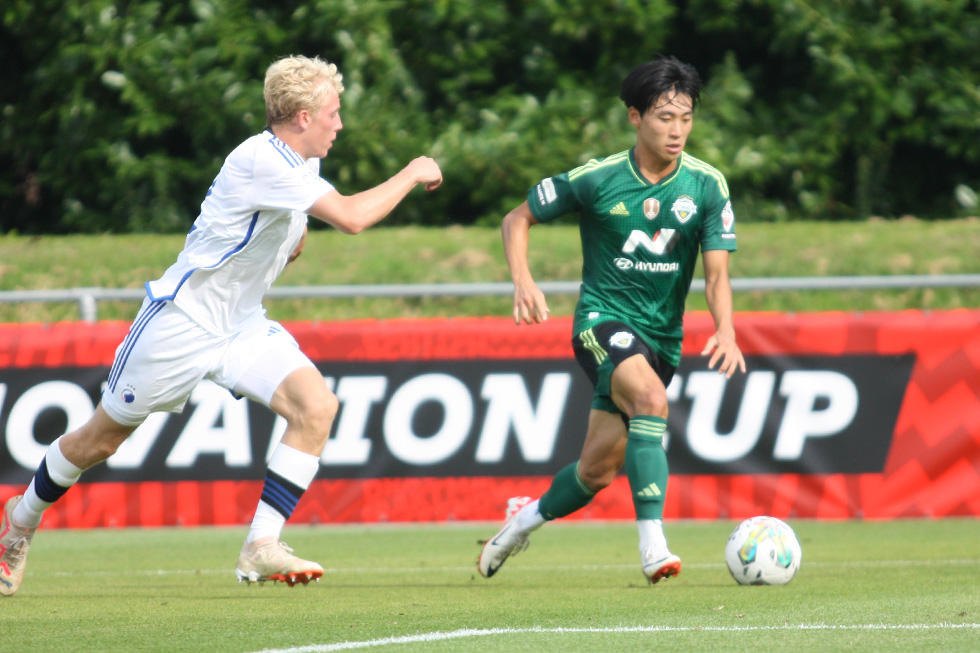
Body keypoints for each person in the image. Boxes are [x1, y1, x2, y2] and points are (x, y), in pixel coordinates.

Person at [0, 54, 443, 596]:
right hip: (181, 325)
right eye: (333, 111)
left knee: (317, 406)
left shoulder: (302, 166)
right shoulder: (262, 159)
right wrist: (414, 170)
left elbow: (282, 239)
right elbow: (351, 218)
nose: (340, 123)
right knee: (100, 441)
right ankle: (19, 522)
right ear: (302, 116)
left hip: (240, 326)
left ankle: (261, 545)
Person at [477, 56, 745, 585]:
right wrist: (524, 280)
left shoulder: (707, 186)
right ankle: (654, 547)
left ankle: (519, 524)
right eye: (665, 117)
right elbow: (518, 218)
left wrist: (726, 329)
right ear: (634, 116)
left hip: (662, 341)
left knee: (596, 472)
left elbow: (716, 277)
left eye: (686, 118)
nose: (677, 130)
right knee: (650, 400)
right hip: (602, 322)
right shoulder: (598, 179)